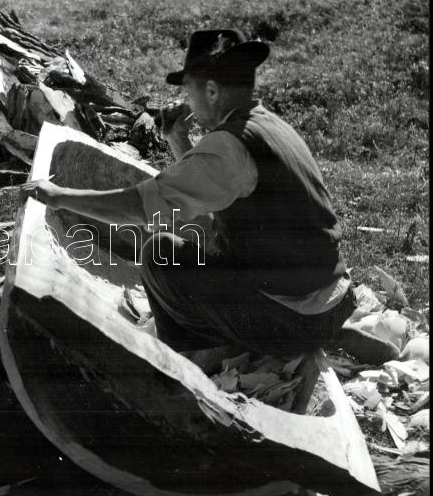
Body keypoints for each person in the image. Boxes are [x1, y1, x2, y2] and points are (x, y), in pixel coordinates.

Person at [20, 28, 356, 357]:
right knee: (203, 237)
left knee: (160, 253)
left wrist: (57, 195)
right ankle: (248, 343)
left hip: (295, 320)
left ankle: (184, 371)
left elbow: (141, 207)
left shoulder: (229, 146)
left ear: (211, 91)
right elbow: (219, 188)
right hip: (334, 301)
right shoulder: (266, 125)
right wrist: (178, 139)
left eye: (188, 89)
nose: (185, 100)